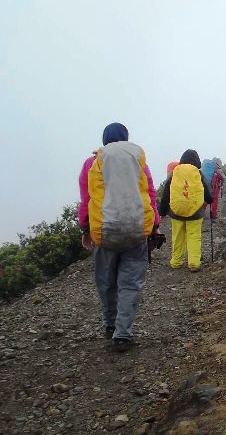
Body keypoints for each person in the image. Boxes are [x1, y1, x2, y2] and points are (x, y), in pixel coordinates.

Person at [78, 123, 160, 352]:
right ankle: (122, 334)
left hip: (105, 232)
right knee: (130, 283)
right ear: (126, 139)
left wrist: (85, 229)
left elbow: (87, 199)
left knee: (106, 282)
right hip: (136, 230)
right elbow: (150, 194)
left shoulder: (91, 163)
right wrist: (154, 226)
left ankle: (109, 324)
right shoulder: (139, 162)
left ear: (104, 141)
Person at [159, 150, 213, 272]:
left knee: (178, 236)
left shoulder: (174, 173)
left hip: (176, 211)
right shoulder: (198, 173)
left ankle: (176, 262)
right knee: (194, 236)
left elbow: (166, 193)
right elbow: (206, 190)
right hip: (196, 212)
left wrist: (162, 211)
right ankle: (194, 263)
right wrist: (210, 200)